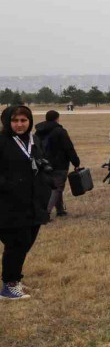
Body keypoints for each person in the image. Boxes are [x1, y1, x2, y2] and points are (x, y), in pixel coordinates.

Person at [0, 105, 52, 300]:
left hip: (34, 202)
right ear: (7, 122)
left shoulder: (33, 139)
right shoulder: (2, 142)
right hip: (8, 205)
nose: (20, 125)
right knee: (16, 243)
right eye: (15, 121)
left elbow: (40, 161)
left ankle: (15, 280)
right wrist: (10, 184)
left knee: (26, 242)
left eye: (24, 120)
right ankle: (9, 286)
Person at [34, 110, 80, 219]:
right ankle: (46, 213)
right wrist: (76, 162)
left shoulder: (38, 132)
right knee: (56, 188)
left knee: (53, 187)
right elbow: (68, 148)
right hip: (60, 164)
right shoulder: (60, 131)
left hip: (43, 164)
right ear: (57, 118)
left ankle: (60, 210)